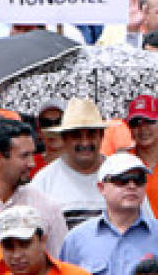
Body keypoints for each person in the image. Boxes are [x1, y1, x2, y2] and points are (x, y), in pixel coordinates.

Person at [0, 117, 67, 254]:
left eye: (32, 154)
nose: (32, 163)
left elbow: (60, 264)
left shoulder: (46, 206)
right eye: (24, 156)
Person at [30, 97, 110, 228]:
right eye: (76, 135)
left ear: (101, 136)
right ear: (64, 138)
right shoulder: (43, 182)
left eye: (91, 134)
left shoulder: (121, 175)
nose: (84, 142)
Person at [127, 94, 158, 225]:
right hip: (133, 243)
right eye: (136, 123)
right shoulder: (122, 164)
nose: (143, 128)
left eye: (150, 121)